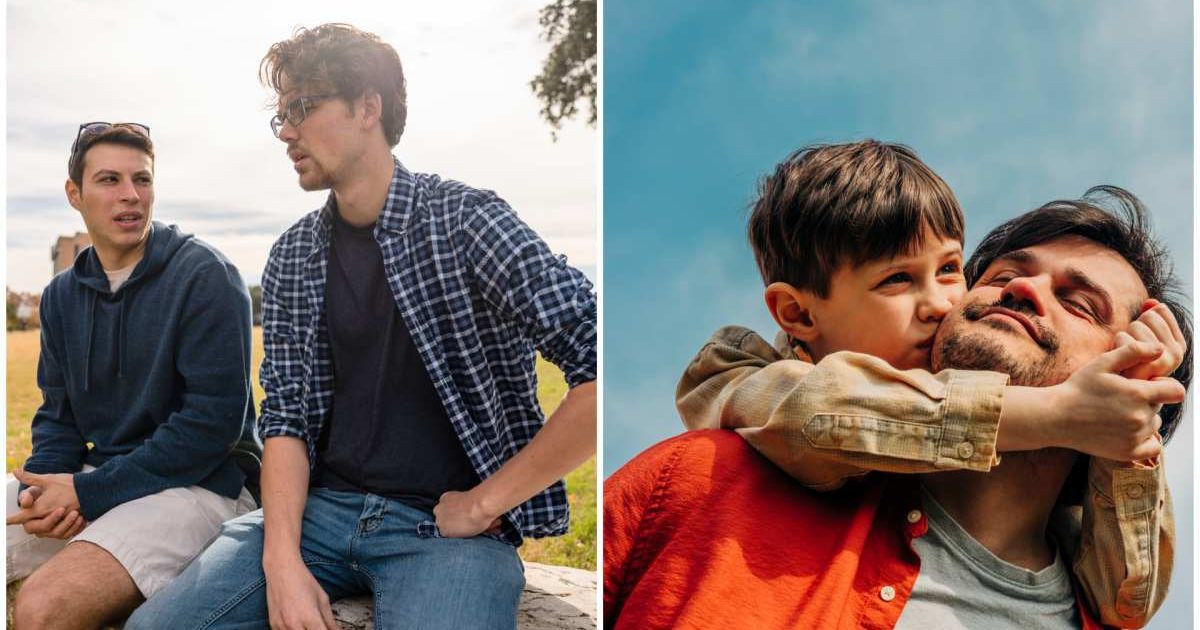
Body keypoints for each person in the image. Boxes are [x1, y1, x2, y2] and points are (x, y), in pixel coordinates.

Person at [128, 23, 597, 630]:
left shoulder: (466, 221)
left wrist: (486, 502)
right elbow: (286, 420)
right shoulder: (294, 253)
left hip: (445, 532)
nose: (287, 132)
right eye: (281, 116)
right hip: (316, 516)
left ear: (367, 107)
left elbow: (598, 355)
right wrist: (282, 561)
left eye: (301, 107)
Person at [605, 144, 1188, 628]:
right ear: (798, 313)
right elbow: (818, 405)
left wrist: (1133, 422)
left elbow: (1131, 591)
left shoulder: (1098, 593)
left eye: (1079, 302)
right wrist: (1061, 409)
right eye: (1005, 274)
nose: (1019, 290)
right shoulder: (707, 471)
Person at [6, 122, 261, 629]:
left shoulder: (205, 276)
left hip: (203, 488)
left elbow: (210, 428)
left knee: (43, 605)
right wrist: (41, 490)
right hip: (102, 478)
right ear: (74, 194)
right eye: (109, 180)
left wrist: (86, 494)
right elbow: (58, 417)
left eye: (141, 180)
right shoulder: (60, 295)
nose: (130, 196)